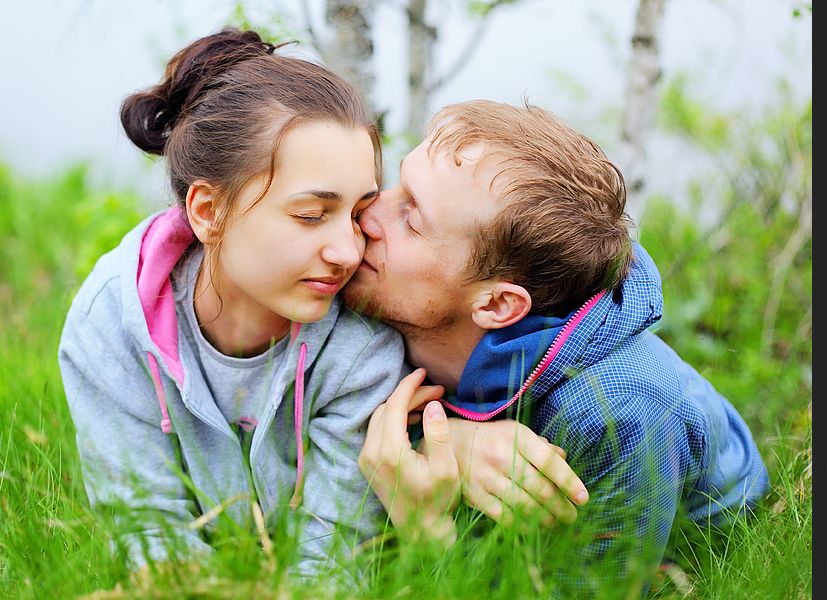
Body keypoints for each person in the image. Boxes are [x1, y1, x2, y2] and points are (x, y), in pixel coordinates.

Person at [348, 100, 770, 593]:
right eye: (398, 184)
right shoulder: (393, 297)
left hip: (682, 556)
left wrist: (426, 534)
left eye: (412, 219)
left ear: (499, 304)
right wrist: (453, 442)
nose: (368, 210)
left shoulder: (619, 415)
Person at [57, 28, 410, 576]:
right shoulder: (111, 321)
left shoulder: (361, 350)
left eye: (358, 213)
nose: (347, 251)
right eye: (311, 215)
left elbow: (335, 559)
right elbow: (149, 531)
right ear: (207, 211)